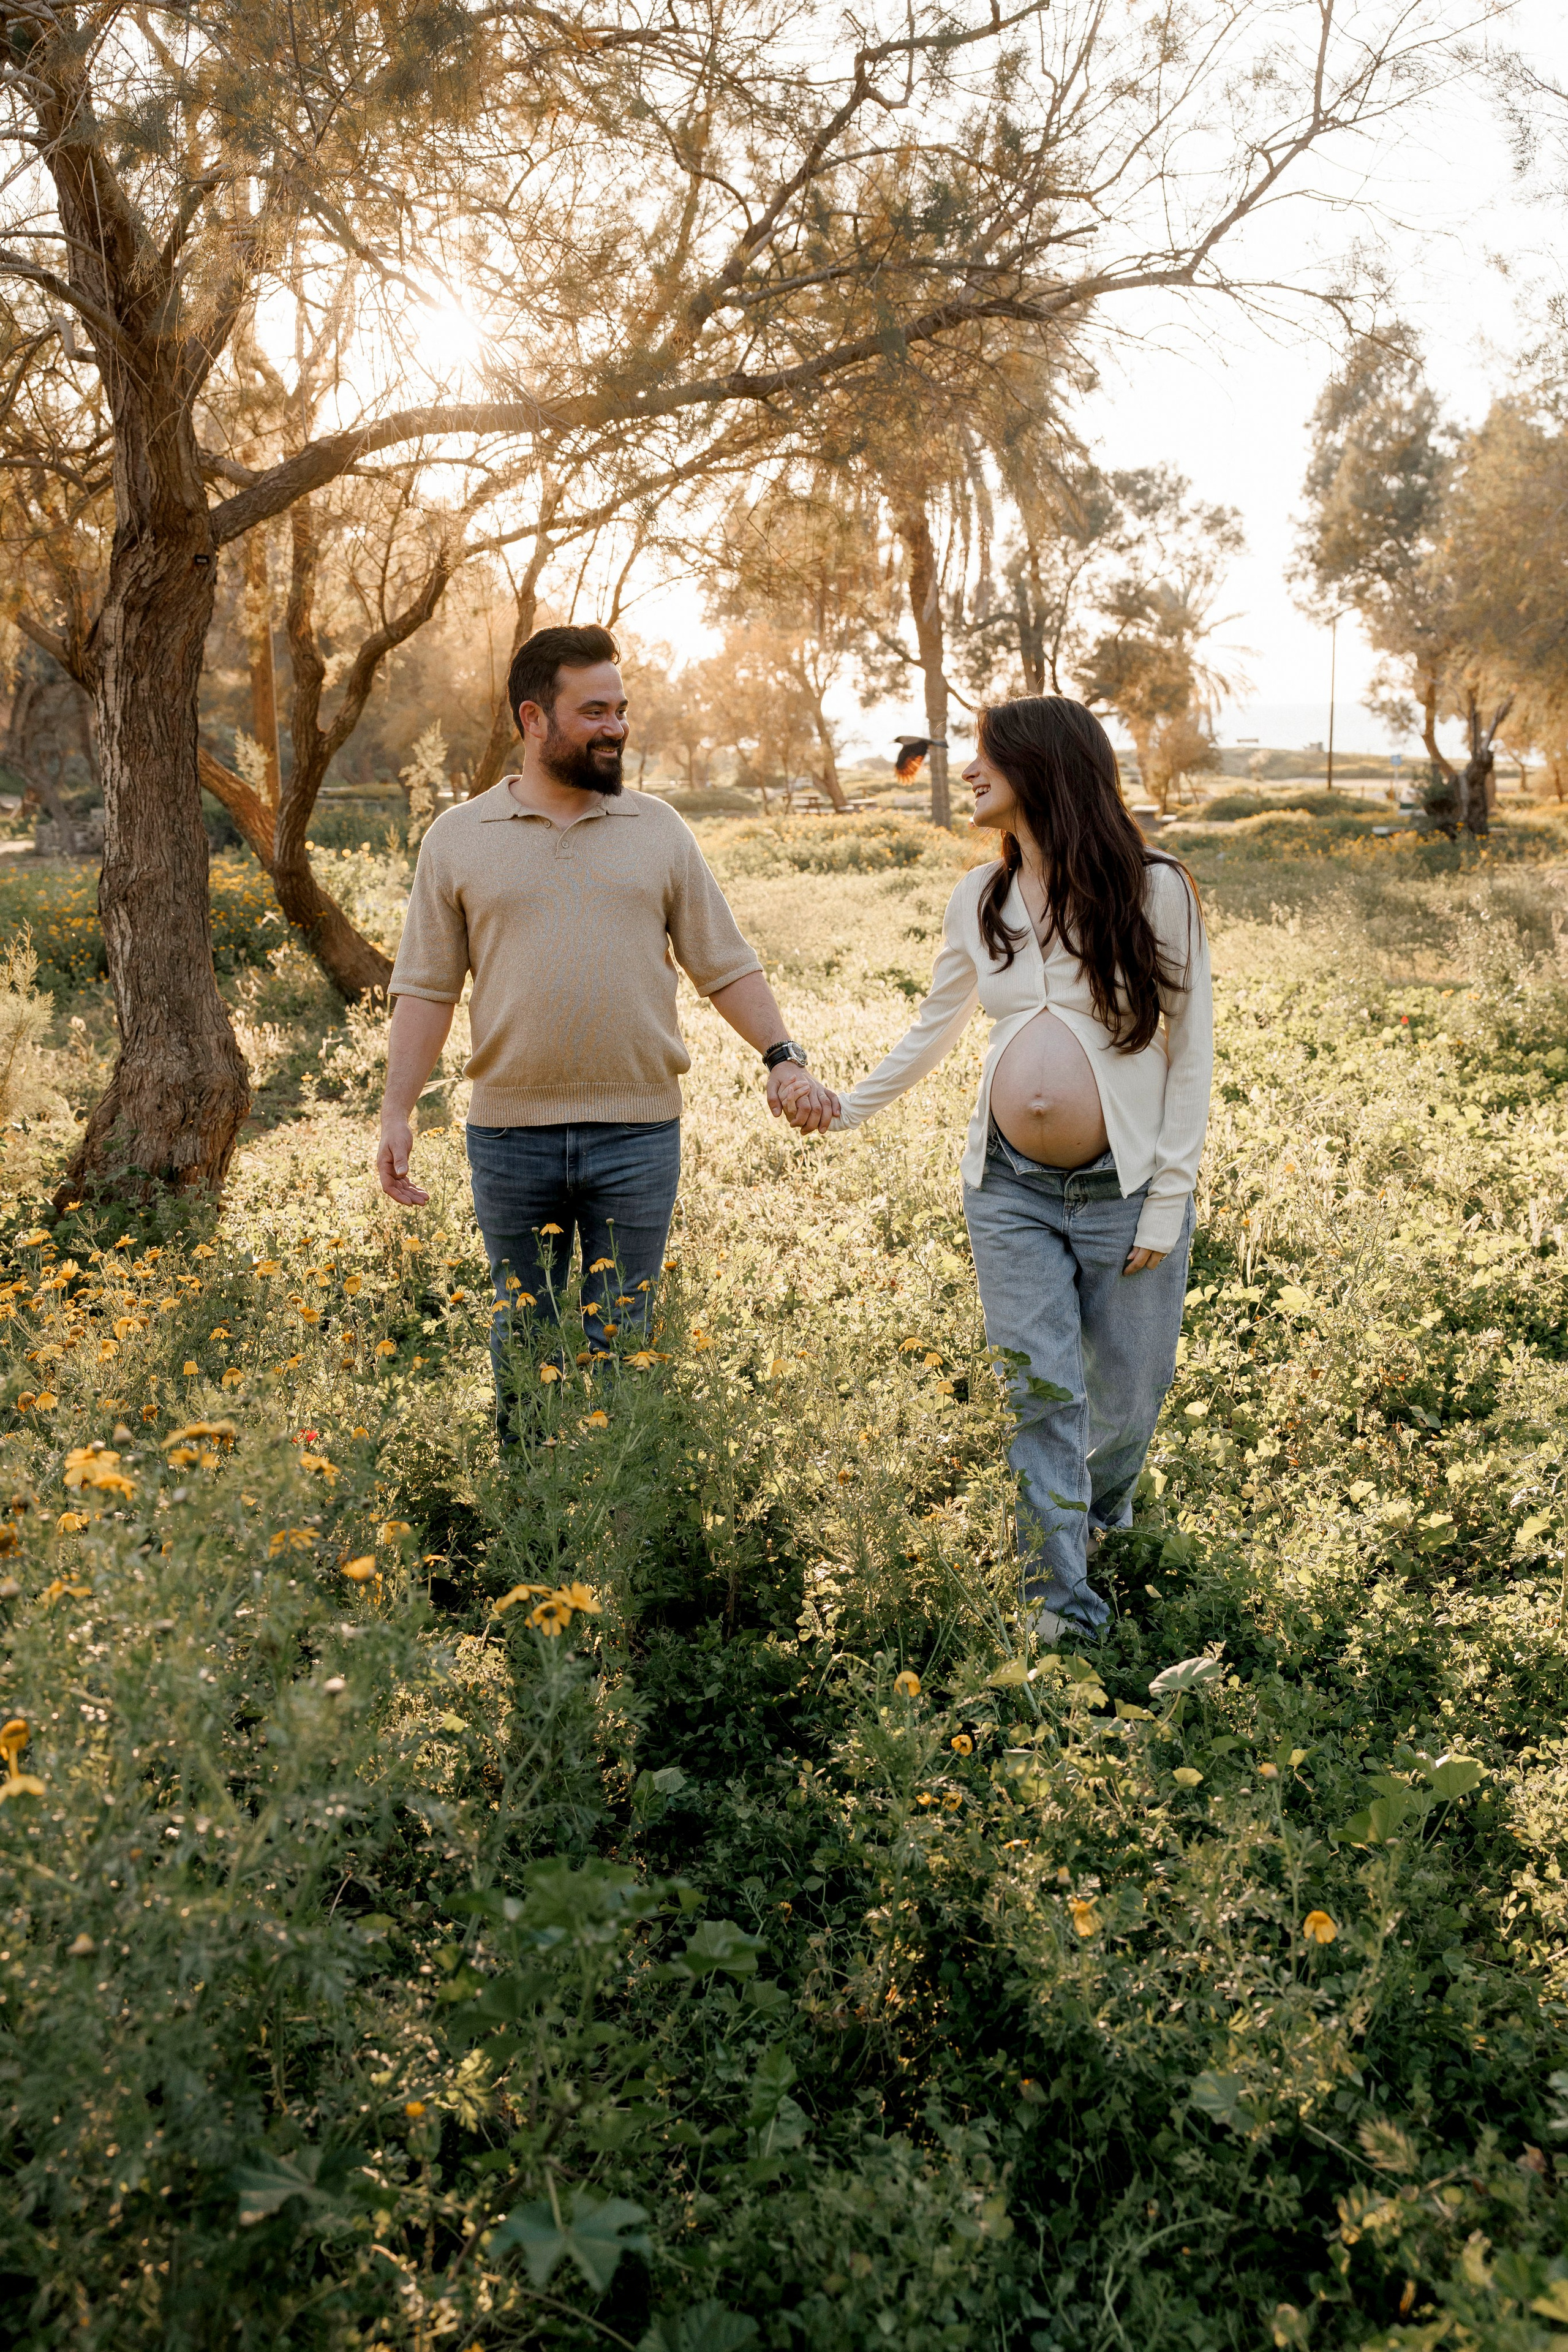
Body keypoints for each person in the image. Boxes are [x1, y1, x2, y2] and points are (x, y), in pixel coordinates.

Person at [816, 695, 1212, 1642]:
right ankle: (1060, 1608)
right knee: (1041, 1390)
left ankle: (1103, 1513)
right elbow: (932, 1029)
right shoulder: (978, 898)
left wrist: (1168, 1201)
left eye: (985, 755)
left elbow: (1192, 1051)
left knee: (1130, 1392)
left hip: (1123, 1189)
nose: (965, 771)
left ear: (1041, 766)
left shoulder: (1154, 888)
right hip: (1009, 1192)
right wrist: (845, 1106)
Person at [377, 622, 840, 1431]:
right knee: (526, 1340)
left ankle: (621, 1525)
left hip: (638, 1132)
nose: (616, 727)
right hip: (509, 1137)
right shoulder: (458, 838)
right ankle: (536, 1510)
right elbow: (425, 990)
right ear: (533, 719)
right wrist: (397, 1113)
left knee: (625, 1340)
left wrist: (783, 1056)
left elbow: (723, 963)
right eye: (594, 711)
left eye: (620, 709)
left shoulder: (658, 829)